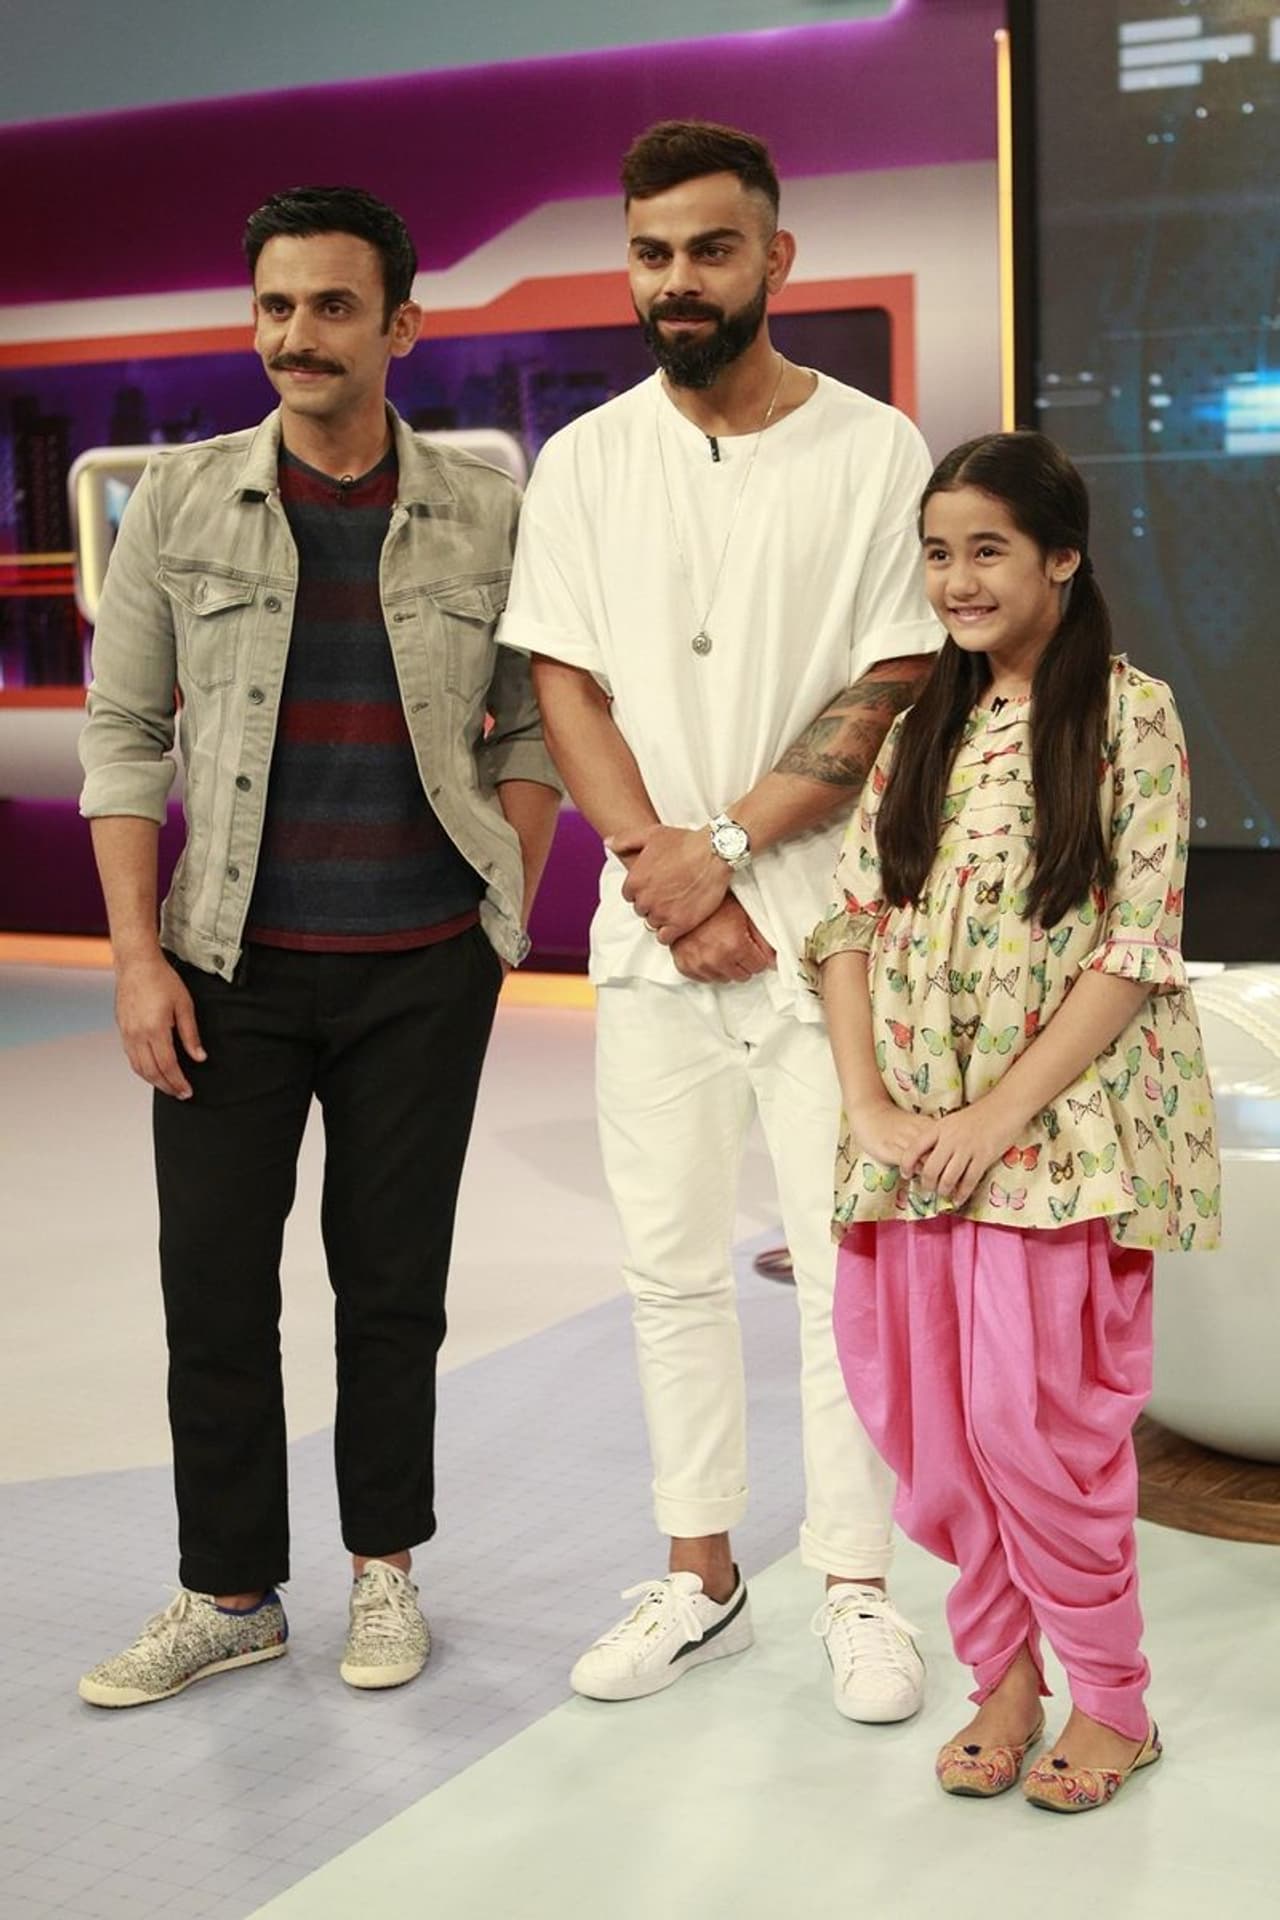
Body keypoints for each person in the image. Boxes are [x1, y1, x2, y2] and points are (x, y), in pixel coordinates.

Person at [76, 186, 561, 1707]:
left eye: (333, 306)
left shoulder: (486, 512)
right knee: (214, 1293)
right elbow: (124, 730)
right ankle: (230, 1593)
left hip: (423, 965)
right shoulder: (180, 502)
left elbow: (532, 725)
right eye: (276, 306)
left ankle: (383, 1572)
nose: (297, 335)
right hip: (224, 966)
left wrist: (501, 913)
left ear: (401, 324)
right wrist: (137, 957)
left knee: (392, 1289)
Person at [500, 120, 942, 1719]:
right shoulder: (584, 459)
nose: (676, 279)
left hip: (831, 934)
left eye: (708, 248)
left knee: (844, 1271)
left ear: (775, 258)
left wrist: (730, 849)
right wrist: (662, 870)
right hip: (651, 935)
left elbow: (895, 674)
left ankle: (858, 1585)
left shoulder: (876, 448)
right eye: (651, 252)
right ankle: (700, 1574)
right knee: (670, 1265)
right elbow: (563, 678)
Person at [808, 429, 1220, 1810]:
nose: (959, 581)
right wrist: (871, 1105)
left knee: (1031, 1422)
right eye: (939, 554)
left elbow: (1135, 947)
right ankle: (1003, 1678)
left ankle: (1112, 1702)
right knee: (933, 1423)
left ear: (1062, 557)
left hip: (1052, 1139)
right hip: (913, 1145)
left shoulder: (1130, 714)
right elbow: (849, 923)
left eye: (989, 550)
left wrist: (996, 1115)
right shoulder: (922, 723)